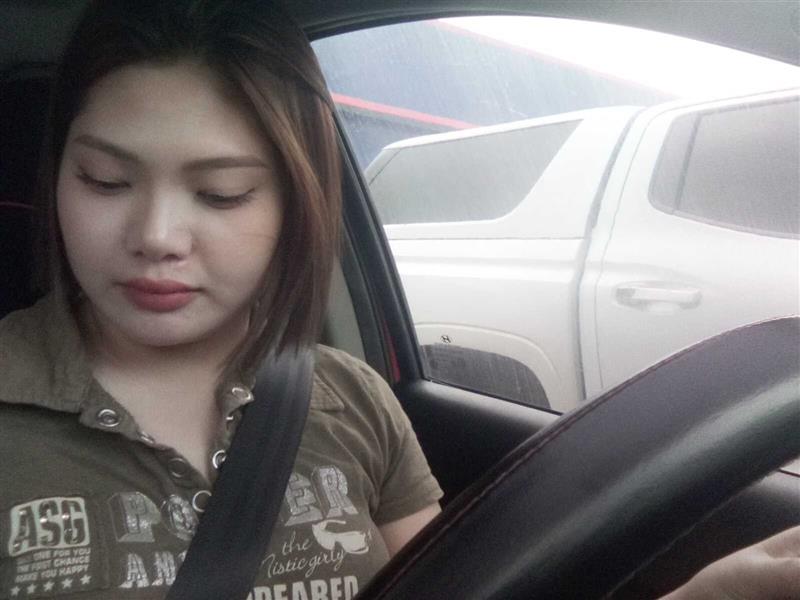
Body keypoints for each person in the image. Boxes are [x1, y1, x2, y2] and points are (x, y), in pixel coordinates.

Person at [0, 1, 796, 599]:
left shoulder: (348, 397)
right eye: (106, 180)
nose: (156, 235)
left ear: (296, 205)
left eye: (221, 193)